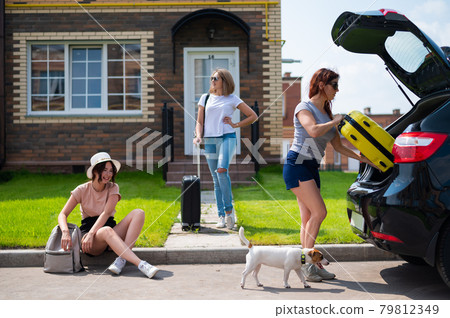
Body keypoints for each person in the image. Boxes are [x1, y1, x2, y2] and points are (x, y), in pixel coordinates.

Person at [282, 68, 376, 282]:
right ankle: (309, 266)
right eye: (334, 85)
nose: (337, 89)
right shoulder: (303, 107)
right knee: (320, 212)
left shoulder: (328, 115)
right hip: (297, 164)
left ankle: (307, 264)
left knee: (307, 218)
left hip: (312, 166)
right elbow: (313, 130)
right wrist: (336, 122)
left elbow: (340, 148)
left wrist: (365, 158)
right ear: (322, 85)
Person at [58, 152, 159, 279]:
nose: (108, 174)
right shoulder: (81, 189)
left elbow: (106, 213)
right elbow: (63, 214)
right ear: (95, 171)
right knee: (106, 230)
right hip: (91, 238)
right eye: (104, 170)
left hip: (111, 232)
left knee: (139, 213)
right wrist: (66, 232)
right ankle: (141, 265)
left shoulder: (113, 187)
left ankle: (121, 260)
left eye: (111, 171)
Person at [193, 68, 258, 229]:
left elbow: (253, 116)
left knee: (222, 170)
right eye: (211, 78)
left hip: (227, 137)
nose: (212, 81)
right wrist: (198, 135)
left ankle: (229, 212)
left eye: (216, 78)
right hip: (209, 140)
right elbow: (200, 121)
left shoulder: (232, 99)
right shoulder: (205, 98)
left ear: (224, 80)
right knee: (216, 180)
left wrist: (235, 124)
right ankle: (221, 216)